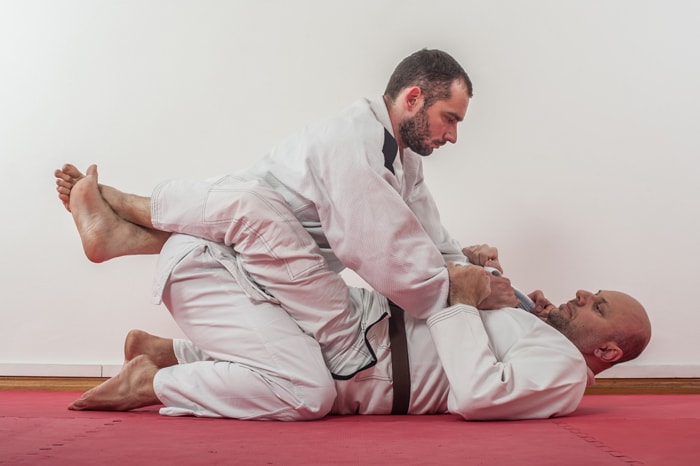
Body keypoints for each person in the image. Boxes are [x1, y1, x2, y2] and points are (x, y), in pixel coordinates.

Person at [58, 166, 651, 421]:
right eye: (592, 292)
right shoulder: (545, 339)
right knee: (300, 232)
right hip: (359, 328)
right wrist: (492, 281)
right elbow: (487, 340)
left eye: (597, 305)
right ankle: (144, 275)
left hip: (365, 359)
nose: (580, 295)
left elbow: (477, 393)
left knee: (276, 250)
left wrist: (466, 297)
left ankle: (165, 360)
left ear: (609, 354)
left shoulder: (566, 377)